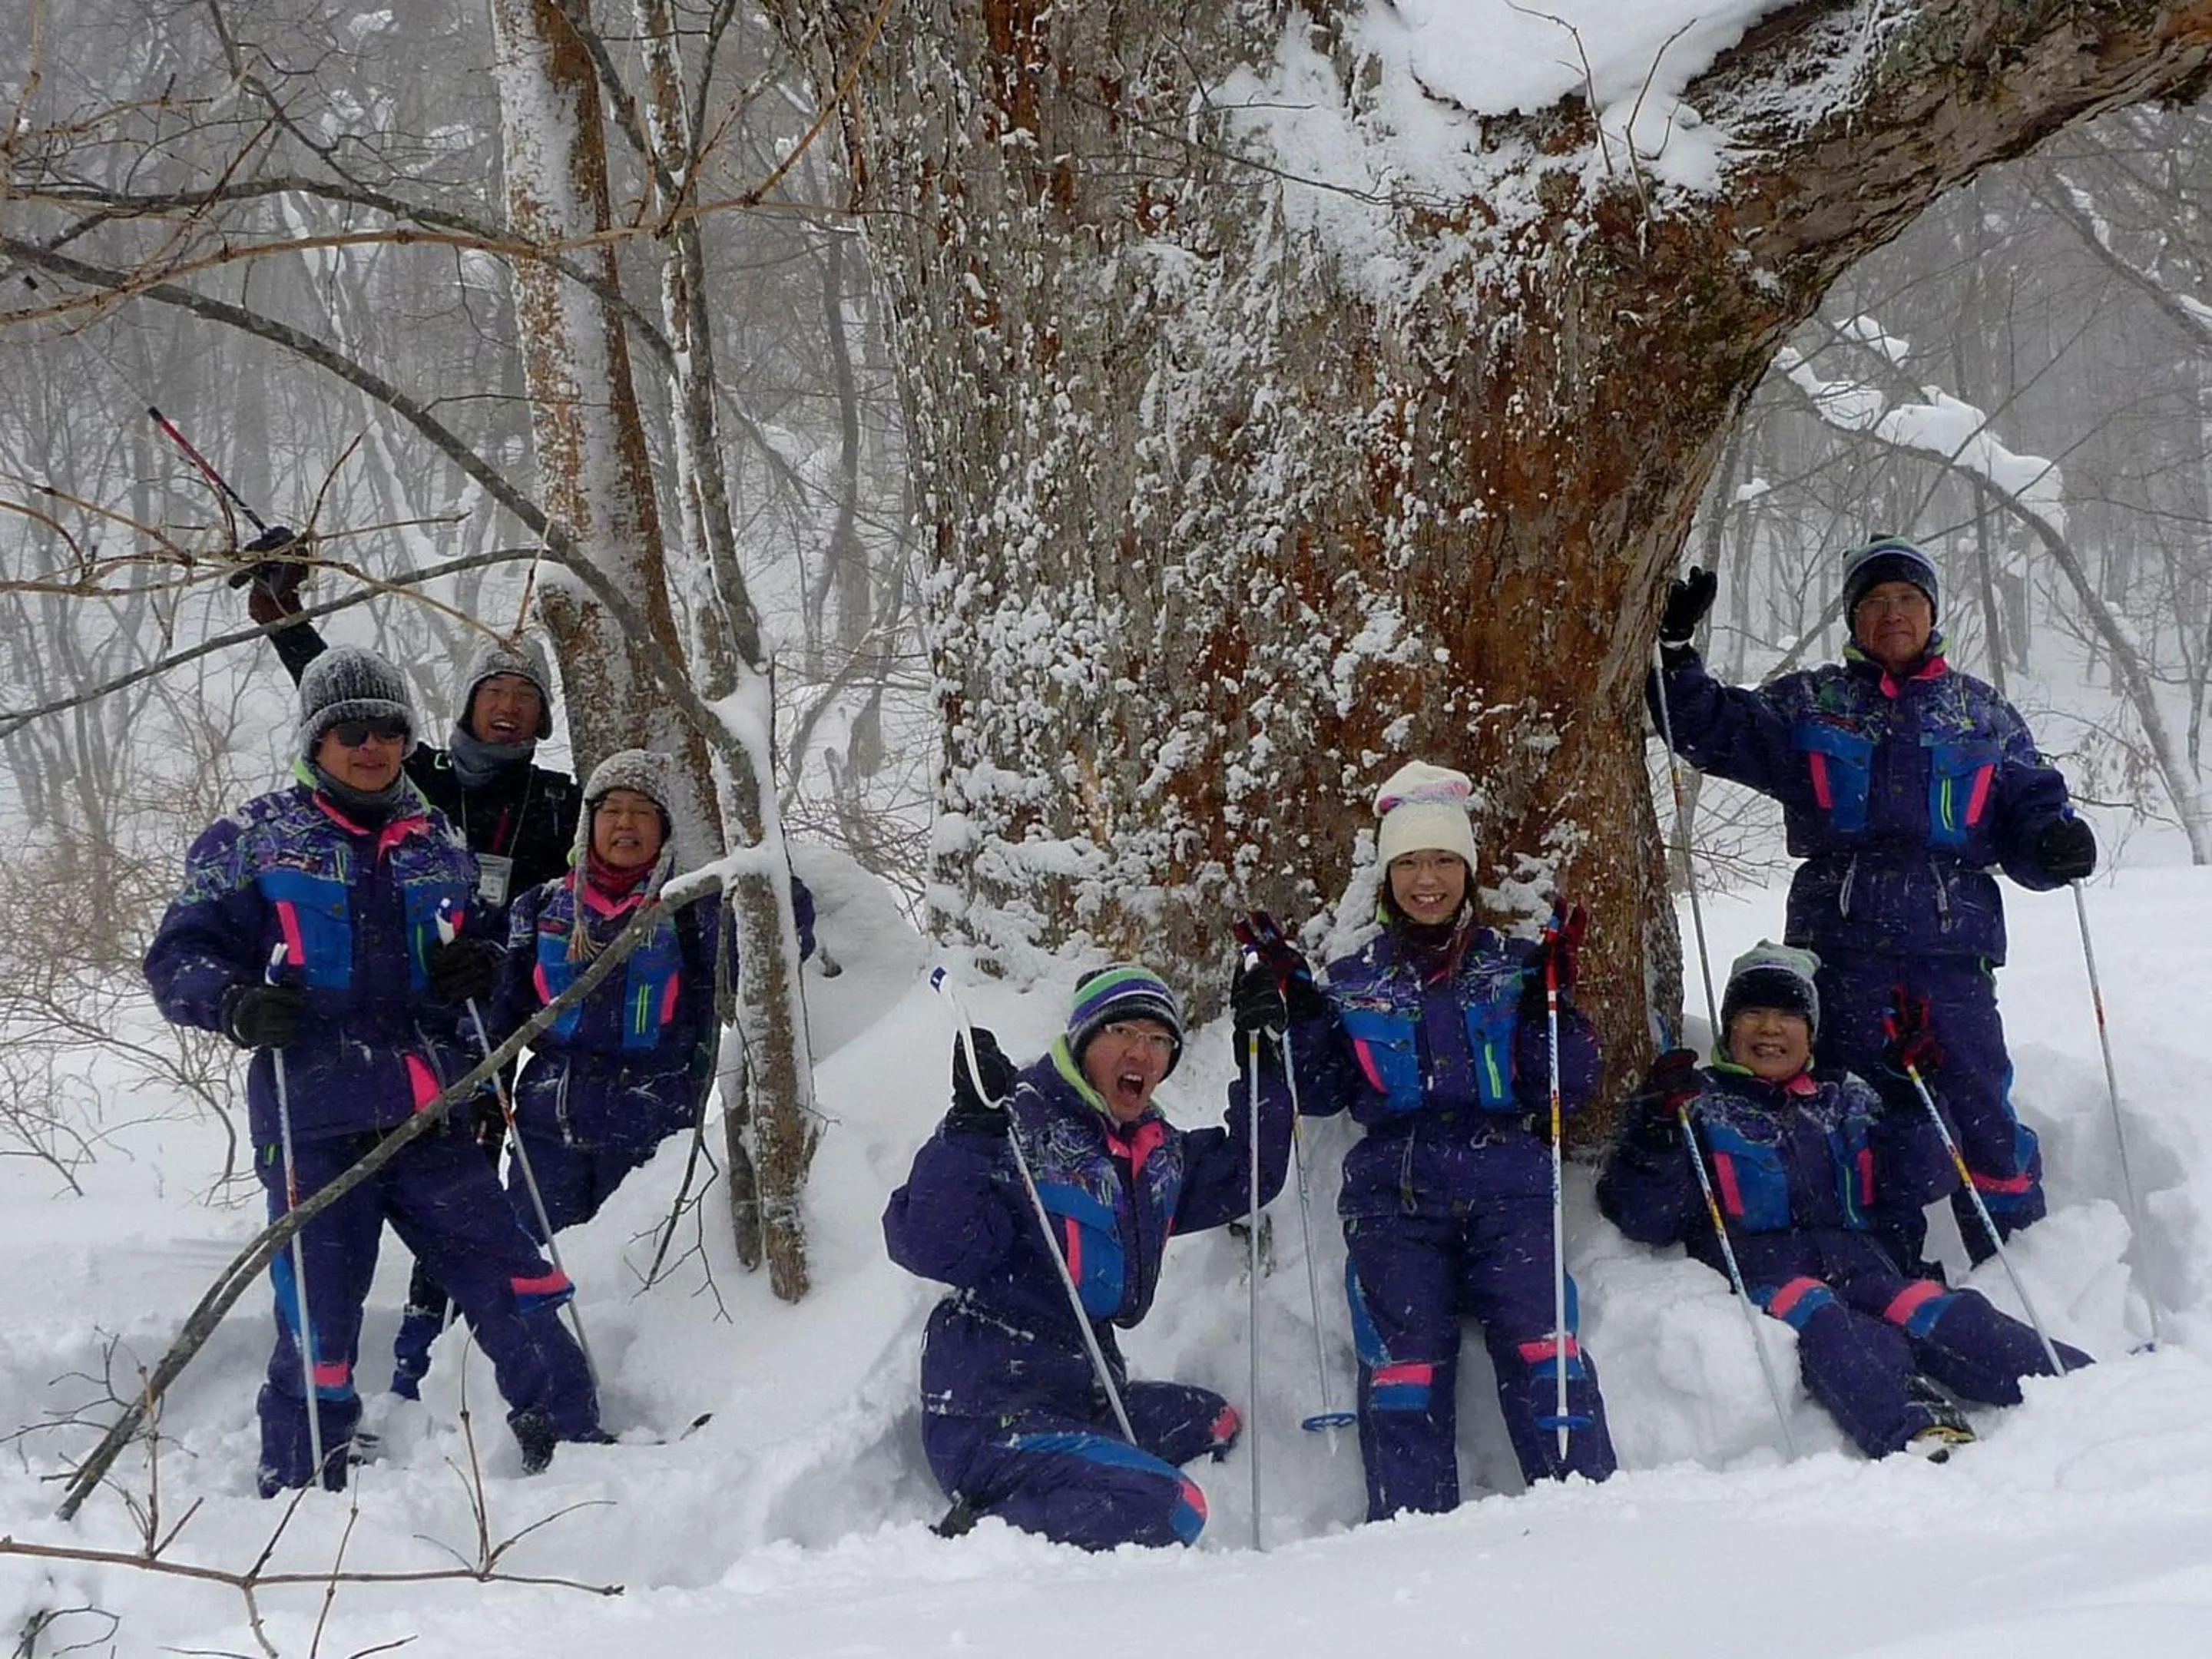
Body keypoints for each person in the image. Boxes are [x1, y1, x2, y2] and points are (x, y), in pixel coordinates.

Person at [143, 647, 605, 1492]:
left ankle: (577, 1449)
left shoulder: (437, 844)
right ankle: (301, 1484)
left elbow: (491, 939)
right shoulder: (253, 839)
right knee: (318, 1321)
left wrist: (481, 962)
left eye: (389, 730)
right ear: (316, 741)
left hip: (429, 1115)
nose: (372, 746)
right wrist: (236, 1001)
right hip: (313, 1117)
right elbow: (178, 955)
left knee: (520, 1282)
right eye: (351, 731)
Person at [1650, 537, 2097, 1262]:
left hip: (1952, 955)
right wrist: (1674, 652)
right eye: (1876, 603)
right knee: (1855, 1112)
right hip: (1841, 951)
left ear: (1932, 614)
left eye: (1908, 600)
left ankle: (2023, 1264)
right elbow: (1710, 727)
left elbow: (2031, 812)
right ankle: (1884, 1269)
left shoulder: (1978, 713)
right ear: (1854, 621)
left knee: (1979, 1106)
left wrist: (2056, 844)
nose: (1893, 615)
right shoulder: (1812, 703)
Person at [245, 540, 584, 1395]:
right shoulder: (419, 776)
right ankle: (409, 1358)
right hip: (423, 1022)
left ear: (542, 719)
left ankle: (444, 1353)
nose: (508, 709)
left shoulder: (558, 802)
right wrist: (287, 619)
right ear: (466, 703)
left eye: (525, 698)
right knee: (432, 1181)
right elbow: (343, 712)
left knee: (475, 1189)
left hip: (503, 1012)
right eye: (494, 692)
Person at [1274, 760, 1618, 1522]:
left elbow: (1563, 1086)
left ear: (1467, 871)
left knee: (1543, 1351)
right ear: (1387, 874)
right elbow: (1323, 1089)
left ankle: (1591, 1522)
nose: (1425, 880)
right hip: (1394, 1192)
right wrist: (1299, 1011)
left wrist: (1557, 1000)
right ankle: (1413, 1538)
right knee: (1406, 1372)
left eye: (1441, 862)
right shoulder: (1354, 975)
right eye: (1408, 863)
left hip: (1509, 1185)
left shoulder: (1514, 965)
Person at [1597, 942, 2090, 1461]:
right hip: (1770, 1275)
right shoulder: (1700, 1106)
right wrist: (1655, 1134)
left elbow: (1926, 1180)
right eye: (1753, 1014)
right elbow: (1646, 1218)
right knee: (1831, 1325)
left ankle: (2082, 1381)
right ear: (1728, 1028)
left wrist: (1908, 1100)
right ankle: (1911, 1425)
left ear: (1810, 1030)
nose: (1769, 1029)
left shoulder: (1849, 1099)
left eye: (1787, 1015)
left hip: (1869, 1266)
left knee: (1939, 1312)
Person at [882, 964, 1294, 1549]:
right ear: (1083, 1040)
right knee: (1173, 1508)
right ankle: (977, 1536)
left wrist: (1262, 1063)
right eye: (1123, 1031)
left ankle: (1086, 1474)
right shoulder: (1019, 1126)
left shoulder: (1152, 1153)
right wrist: (970, 1129)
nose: (1142, 1053)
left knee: (1214, 1423)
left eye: (1159, 1040)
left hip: (1083, 1400)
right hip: (989, 1413)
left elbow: (1247, 1174)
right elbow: (929, 1243)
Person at [491, 750, 720, 1237]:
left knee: (627, 1286)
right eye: (611, 810)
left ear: (664, 828)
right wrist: (484, 1099)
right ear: (588, 823)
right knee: (537, 1274)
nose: (625, 823)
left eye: (642, 811)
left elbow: (768, 949)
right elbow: (502, 1011)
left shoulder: (690, 911)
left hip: (650, 1130)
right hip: (548, 1128)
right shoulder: (540, 907)